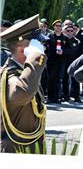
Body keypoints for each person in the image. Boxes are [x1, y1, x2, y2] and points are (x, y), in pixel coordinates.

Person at [0, 14, 48, 153]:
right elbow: (21, 94)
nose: (42, 48)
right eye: (36, 45)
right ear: (24, 50)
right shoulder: (10, 75)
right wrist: (36, 58)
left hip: (28, 145)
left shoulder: (23, 72)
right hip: (16, 149)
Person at [45, 19, 66, 104]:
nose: (58, 27)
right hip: (51, 61)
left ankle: (56, 97)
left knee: (58, 79)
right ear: (53, 27)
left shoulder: (64, 37)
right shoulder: (50, 36)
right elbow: (46, 48)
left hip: (60, 61)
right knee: (50, 79)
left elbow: (69, 49)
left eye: (60, 26)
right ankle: (50, 97)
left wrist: (63, 51)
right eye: (57, 26)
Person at [62, 25, 82, 102]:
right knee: (65, 80)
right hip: (65, 62)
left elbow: (73, 50)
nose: (70, 32)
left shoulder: (76, 41)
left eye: (71, 31)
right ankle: (65, 96)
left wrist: (64, 51)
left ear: (74, 31)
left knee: (75, 79)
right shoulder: (63, 40)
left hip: (74, 63)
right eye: (68, 31)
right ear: (65, 31)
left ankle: (76, 96)